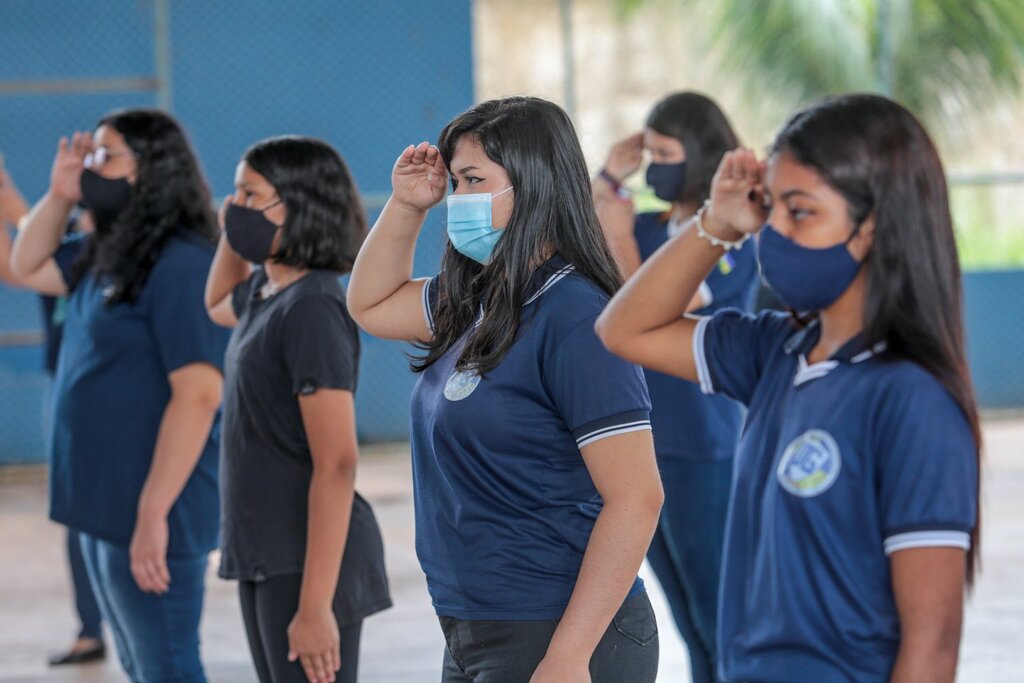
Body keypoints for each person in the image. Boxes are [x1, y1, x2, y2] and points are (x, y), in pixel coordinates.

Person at [596, 93, 980, 683]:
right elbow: (624, 328)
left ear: (874, 226)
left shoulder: (911, 400)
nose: (772, 233)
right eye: (769, 208)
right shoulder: (774, 350)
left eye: (799, 212)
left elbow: (932, 648)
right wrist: (718, 223)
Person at [347, 96, 664, 683]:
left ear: (535, 185)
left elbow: (636, 498)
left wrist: (568, 657)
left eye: (474, 181)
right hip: (473, 624)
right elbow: (368, 304)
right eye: (457, 182)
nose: (458, 200)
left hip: (557, 630)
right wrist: (405, 206)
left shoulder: (575, 316)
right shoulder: (481, 297)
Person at [10, 109, 230, 683]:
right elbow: (24, 263)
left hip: (151, 505)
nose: (93, 167)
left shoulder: (181, 263)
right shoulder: (107, 251)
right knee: (137, 661)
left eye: (108, 156)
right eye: (92, 156)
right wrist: (60, 194)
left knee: (166, 662)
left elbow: (200, 394)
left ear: (152, 170)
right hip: (105, 503)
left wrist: (153, 512)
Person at [204, 136, 391, 683]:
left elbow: (337, 463)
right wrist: (234, 230)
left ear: (299, 204)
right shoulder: (267, 287)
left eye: (249, 193)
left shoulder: (312, 308)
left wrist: (314, 608)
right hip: (265, 548)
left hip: (304, 557)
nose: (234, 205)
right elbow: (216, 303)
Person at [593, 91, 757, 683]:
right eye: (650, 152)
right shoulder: (646, 224)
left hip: (701, 449)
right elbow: (590, 222)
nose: (656, 165)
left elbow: (657, 307)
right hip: (639, 445)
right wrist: (611, 173)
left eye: (667, 152)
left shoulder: (729, 238)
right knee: (686, 620)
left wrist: (621, 240)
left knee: (718, 618)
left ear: (702, 155)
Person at [1, 154, 108, 666]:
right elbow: (19, 263)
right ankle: (92, 626)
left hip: (103, 394)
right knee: (75, 510)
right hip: (66, 388)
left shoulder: (119, 250)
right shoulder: (65, 242)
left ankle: (108, 621)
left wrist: (12, 203)